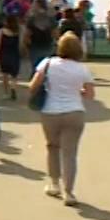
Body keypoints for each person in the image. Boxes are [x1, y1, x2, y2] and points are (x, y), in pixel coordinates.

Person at [31, 32, 97, 206]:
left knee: (52, 147)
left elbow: (33, 86)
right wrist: (77, 91)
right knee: (70, 154)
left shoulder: (47, 63)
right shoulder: (82, 69)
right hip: (74, 112)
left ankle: (54, 184)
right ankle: (69, 192)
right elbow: (90, 95)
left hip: (50, 112)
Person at [0, 14, 23, 101]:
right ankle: (13, 88)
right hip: (15, 54)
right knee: (14, 74)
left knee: (4, 75)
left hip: (4, 54)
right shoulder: (18, 31)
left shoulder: (1, 31)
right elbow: (20, 43)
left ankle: (6, 93)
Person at [24, 0, 58, 73]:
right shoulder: (51, 18)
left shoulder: (32, 18)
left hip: (35, 46)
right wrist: (56, 43)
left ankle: (36, 80)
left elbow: (27, 34)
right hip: (48, 45)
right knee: (47, 69)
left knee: (35, 69)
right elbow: (55, 33)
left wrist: (25, 46)